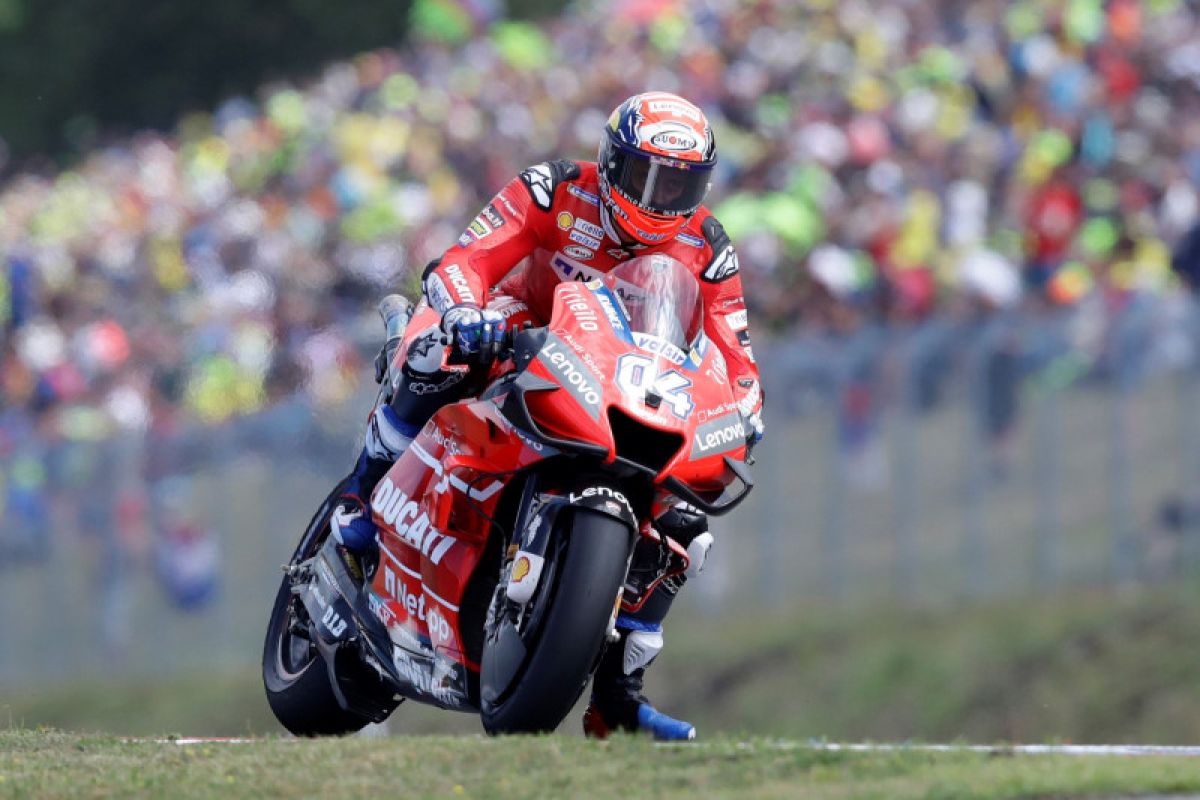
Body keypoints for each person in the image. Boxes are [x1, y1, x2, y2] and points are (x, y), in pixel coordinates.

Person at [332, 91, 764, 740]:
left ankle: (618, 693)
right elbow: (466, 261)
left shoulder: (707, 246)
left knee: (684, 515)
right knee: (433, 357)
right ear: (610, 163)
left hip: (621, 382)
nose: (658, 200)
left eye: (678, 184)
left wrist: (741, 417)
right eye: (645, 177)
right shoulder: (553, 188)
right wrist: (463, 313)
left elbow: (737, 362)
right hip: (514, 329)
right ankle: (361, 499)